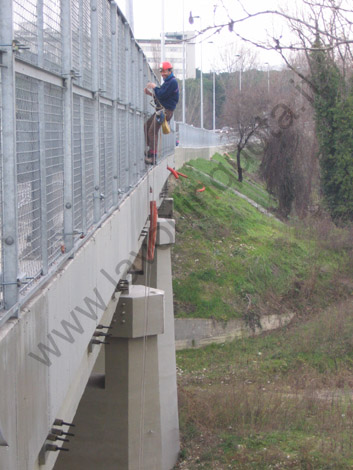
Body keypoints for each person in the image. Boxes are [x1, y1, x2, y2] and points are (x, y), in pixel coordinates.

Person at [144, 61, 179, 164]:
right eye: (161, 72)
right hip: (162, 110)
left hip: (165, 112)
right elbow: (161, 97)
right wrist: (151, 94)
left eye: (164, 72)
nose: (163, 74)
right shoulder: (168, 82)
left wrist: (154, 87)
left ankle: (153, 157)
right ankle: (151, 151)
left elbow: (162, 95)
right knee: (146, 126)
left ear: (169, 71)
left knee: (152, 131)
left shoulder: (172, 82)